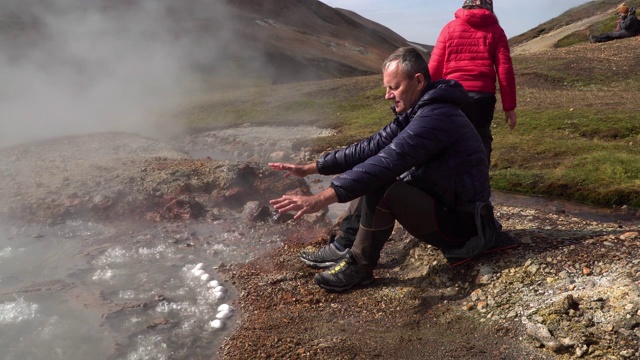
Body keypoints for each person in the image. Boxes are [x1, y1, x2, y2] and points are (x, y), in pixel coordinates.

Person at [269, 47, 497, 292]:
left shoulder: (437, 117)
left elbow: (387, 161)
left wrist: (320, 199)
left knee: (383, 181)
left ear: (418, 81)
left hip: (464, 226)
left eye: (394, 87)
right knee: (374, 172)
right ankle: (346, 244)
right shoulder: (419, 111)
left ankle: (360, 266)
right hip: (448, 208)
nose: (388, 95)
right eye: (386, 88)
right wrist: (311, 168)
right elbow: (369, 148)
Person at [428, 0, 517, 162]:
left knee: (451, 140)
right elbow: (505, 69)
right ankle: (480, 182)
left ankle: (451, 182)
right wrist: (509, 107)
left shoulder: (449, 28)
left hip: (452, 95)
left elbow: (434, 66)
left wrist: (424, 98)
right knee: (481, 140)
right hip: (482, 97)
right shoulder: (496, 31)